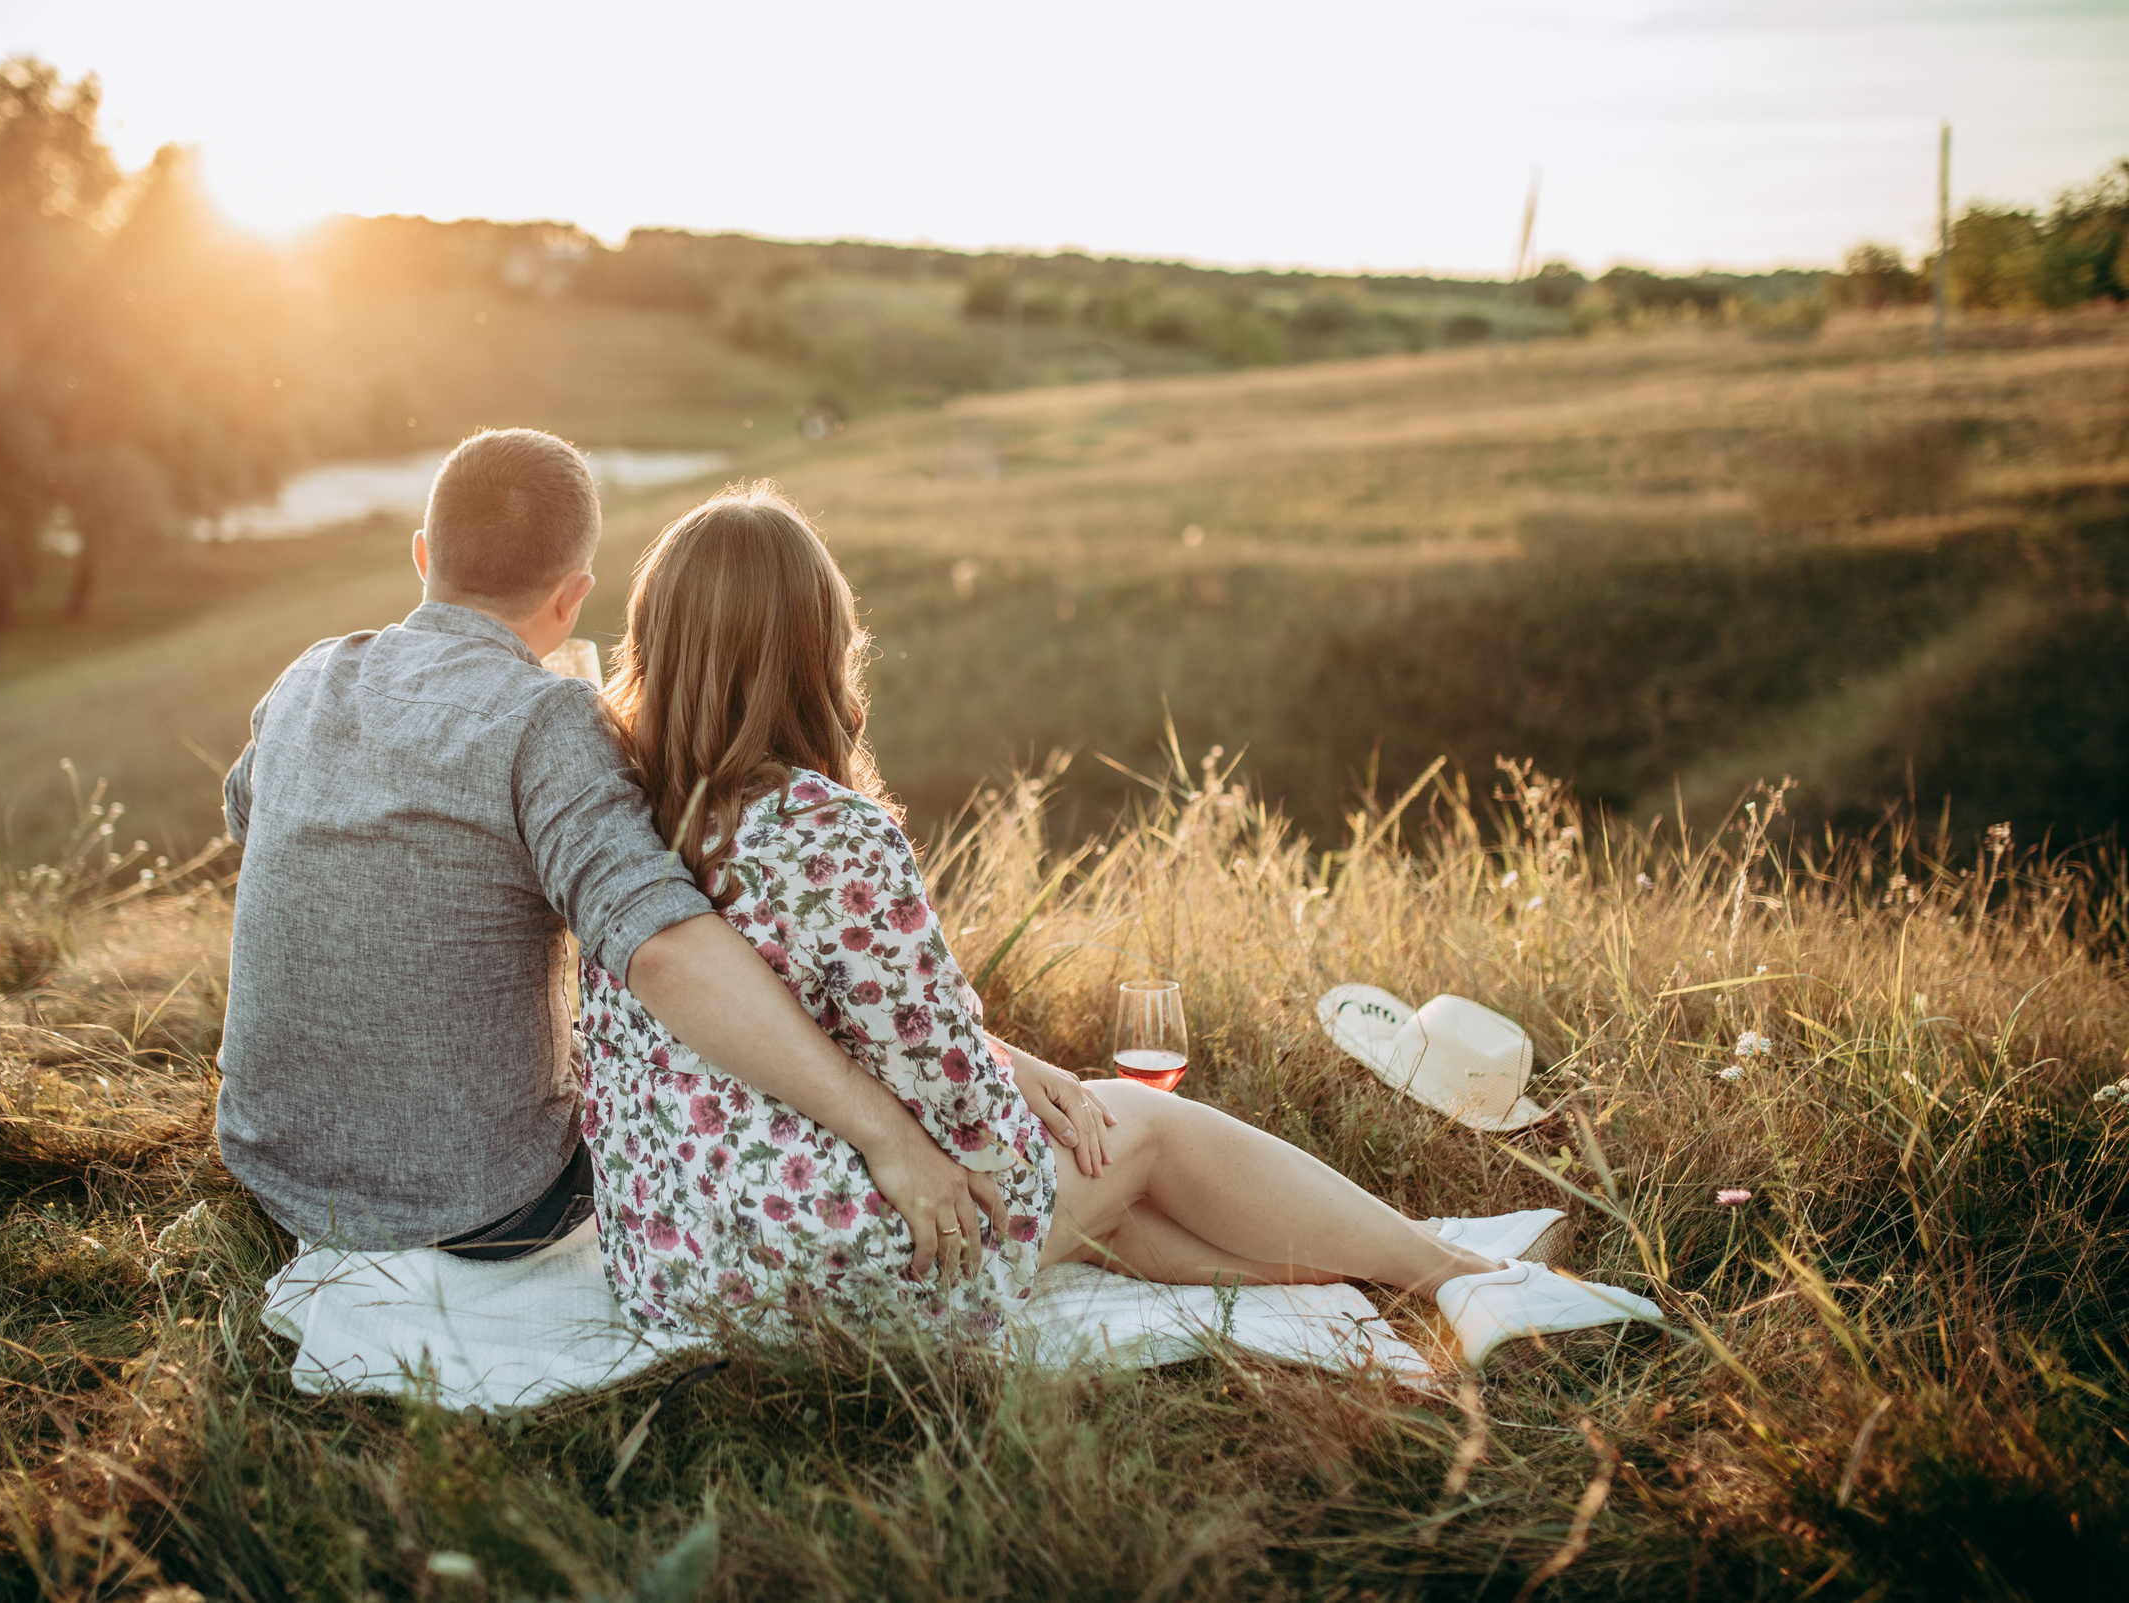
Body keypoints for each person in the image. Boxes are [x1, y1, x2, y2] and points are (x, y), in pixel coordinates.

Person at [578, 483, 1665, 1362]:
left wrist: (1016, 1065)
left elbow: (808, 1021)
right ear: (818, 648)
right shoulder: (829, 830)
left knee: (1103, 1181)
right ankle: (1465, 1276)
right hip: (820, 1265)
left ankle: (1395, 1271)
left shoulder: (624, 818)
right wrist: (1030, 1093)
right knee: (1136, 1126)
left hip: (678, 1255)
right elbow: (948, 1092)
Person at [215, 430, 1103, 1272]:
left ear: (423, 555)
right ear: (572, 597)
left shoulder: (308, 677)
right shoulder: (546, 720)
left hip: (268, 1169)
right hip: (479, 1208)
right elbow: (665, 950)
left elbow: (248, 816)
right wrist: (888, 1135)